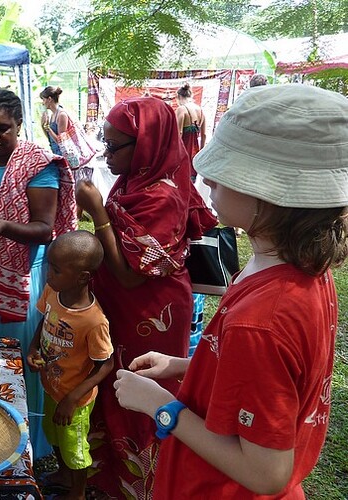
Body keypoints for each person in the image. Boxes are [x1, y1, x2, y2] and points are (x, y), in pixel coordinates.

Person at [113, 84, 348, 498]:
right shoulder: (301, 270)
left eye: (225, 174)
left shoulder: (261, 322)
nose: (205, 178)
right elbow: (270, 376)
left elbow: (266, 472)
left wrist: (159, 406)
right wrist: (184, 365)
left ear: (271, 193)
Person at [75, 96, 216, 498]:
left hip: (150, 312)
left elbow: (131, 275)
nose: (106, 154)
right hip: (118, 306)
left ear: (148, 144)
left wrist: (99, 212)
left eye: (114, 145)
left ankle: (144, 486)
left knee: (139, 391)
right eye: (104, 142)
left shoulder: (163, 197)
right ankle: (108, 480)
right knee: (111, 389)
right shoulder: (133, 180)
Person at [0, 88, 78, 459]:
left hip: (28, 275)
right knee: (0, 358)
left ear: (19, 125)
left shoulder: (36, 163)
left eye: (3, 128)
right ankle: (4, 433)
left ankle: (33, 442)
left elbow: (44, 228)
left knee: (29, 358)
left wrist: (2, 227)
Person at [26, 230, 114, 499]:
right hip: (52, 387)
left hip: (75, 400)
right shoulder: (54, 291)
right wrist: (33, 348)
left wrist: (72, 399)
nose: (49, 275)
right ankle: (63, 475)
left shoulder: (94, 321)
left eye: (55, 270)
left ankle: (77, 492)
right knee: (54, 435)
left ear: (83, 277)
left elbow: (106, 365)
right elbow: (45, 319)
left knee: (75, 450)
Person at [40, 86, 95, 219]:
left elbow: (61, 139)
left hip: (68, 155)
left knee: (74, 184)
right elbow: (51, 138)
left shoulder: (62, 114)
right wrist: (44, 126)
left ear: (49, 99)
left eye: (43, 100)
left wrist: (48, 128)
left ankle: (76, 215)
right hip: (57, 152)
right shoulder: (53, 115)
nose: (42, 103)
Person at [175, 83, 206, 175]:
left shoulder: (181, 109)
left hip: (183, 152)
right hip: (195, 153)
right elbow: (204, 135)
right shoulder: (200, 110)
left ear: (179, 97)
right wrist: (201, 152)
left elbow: (179, 133)